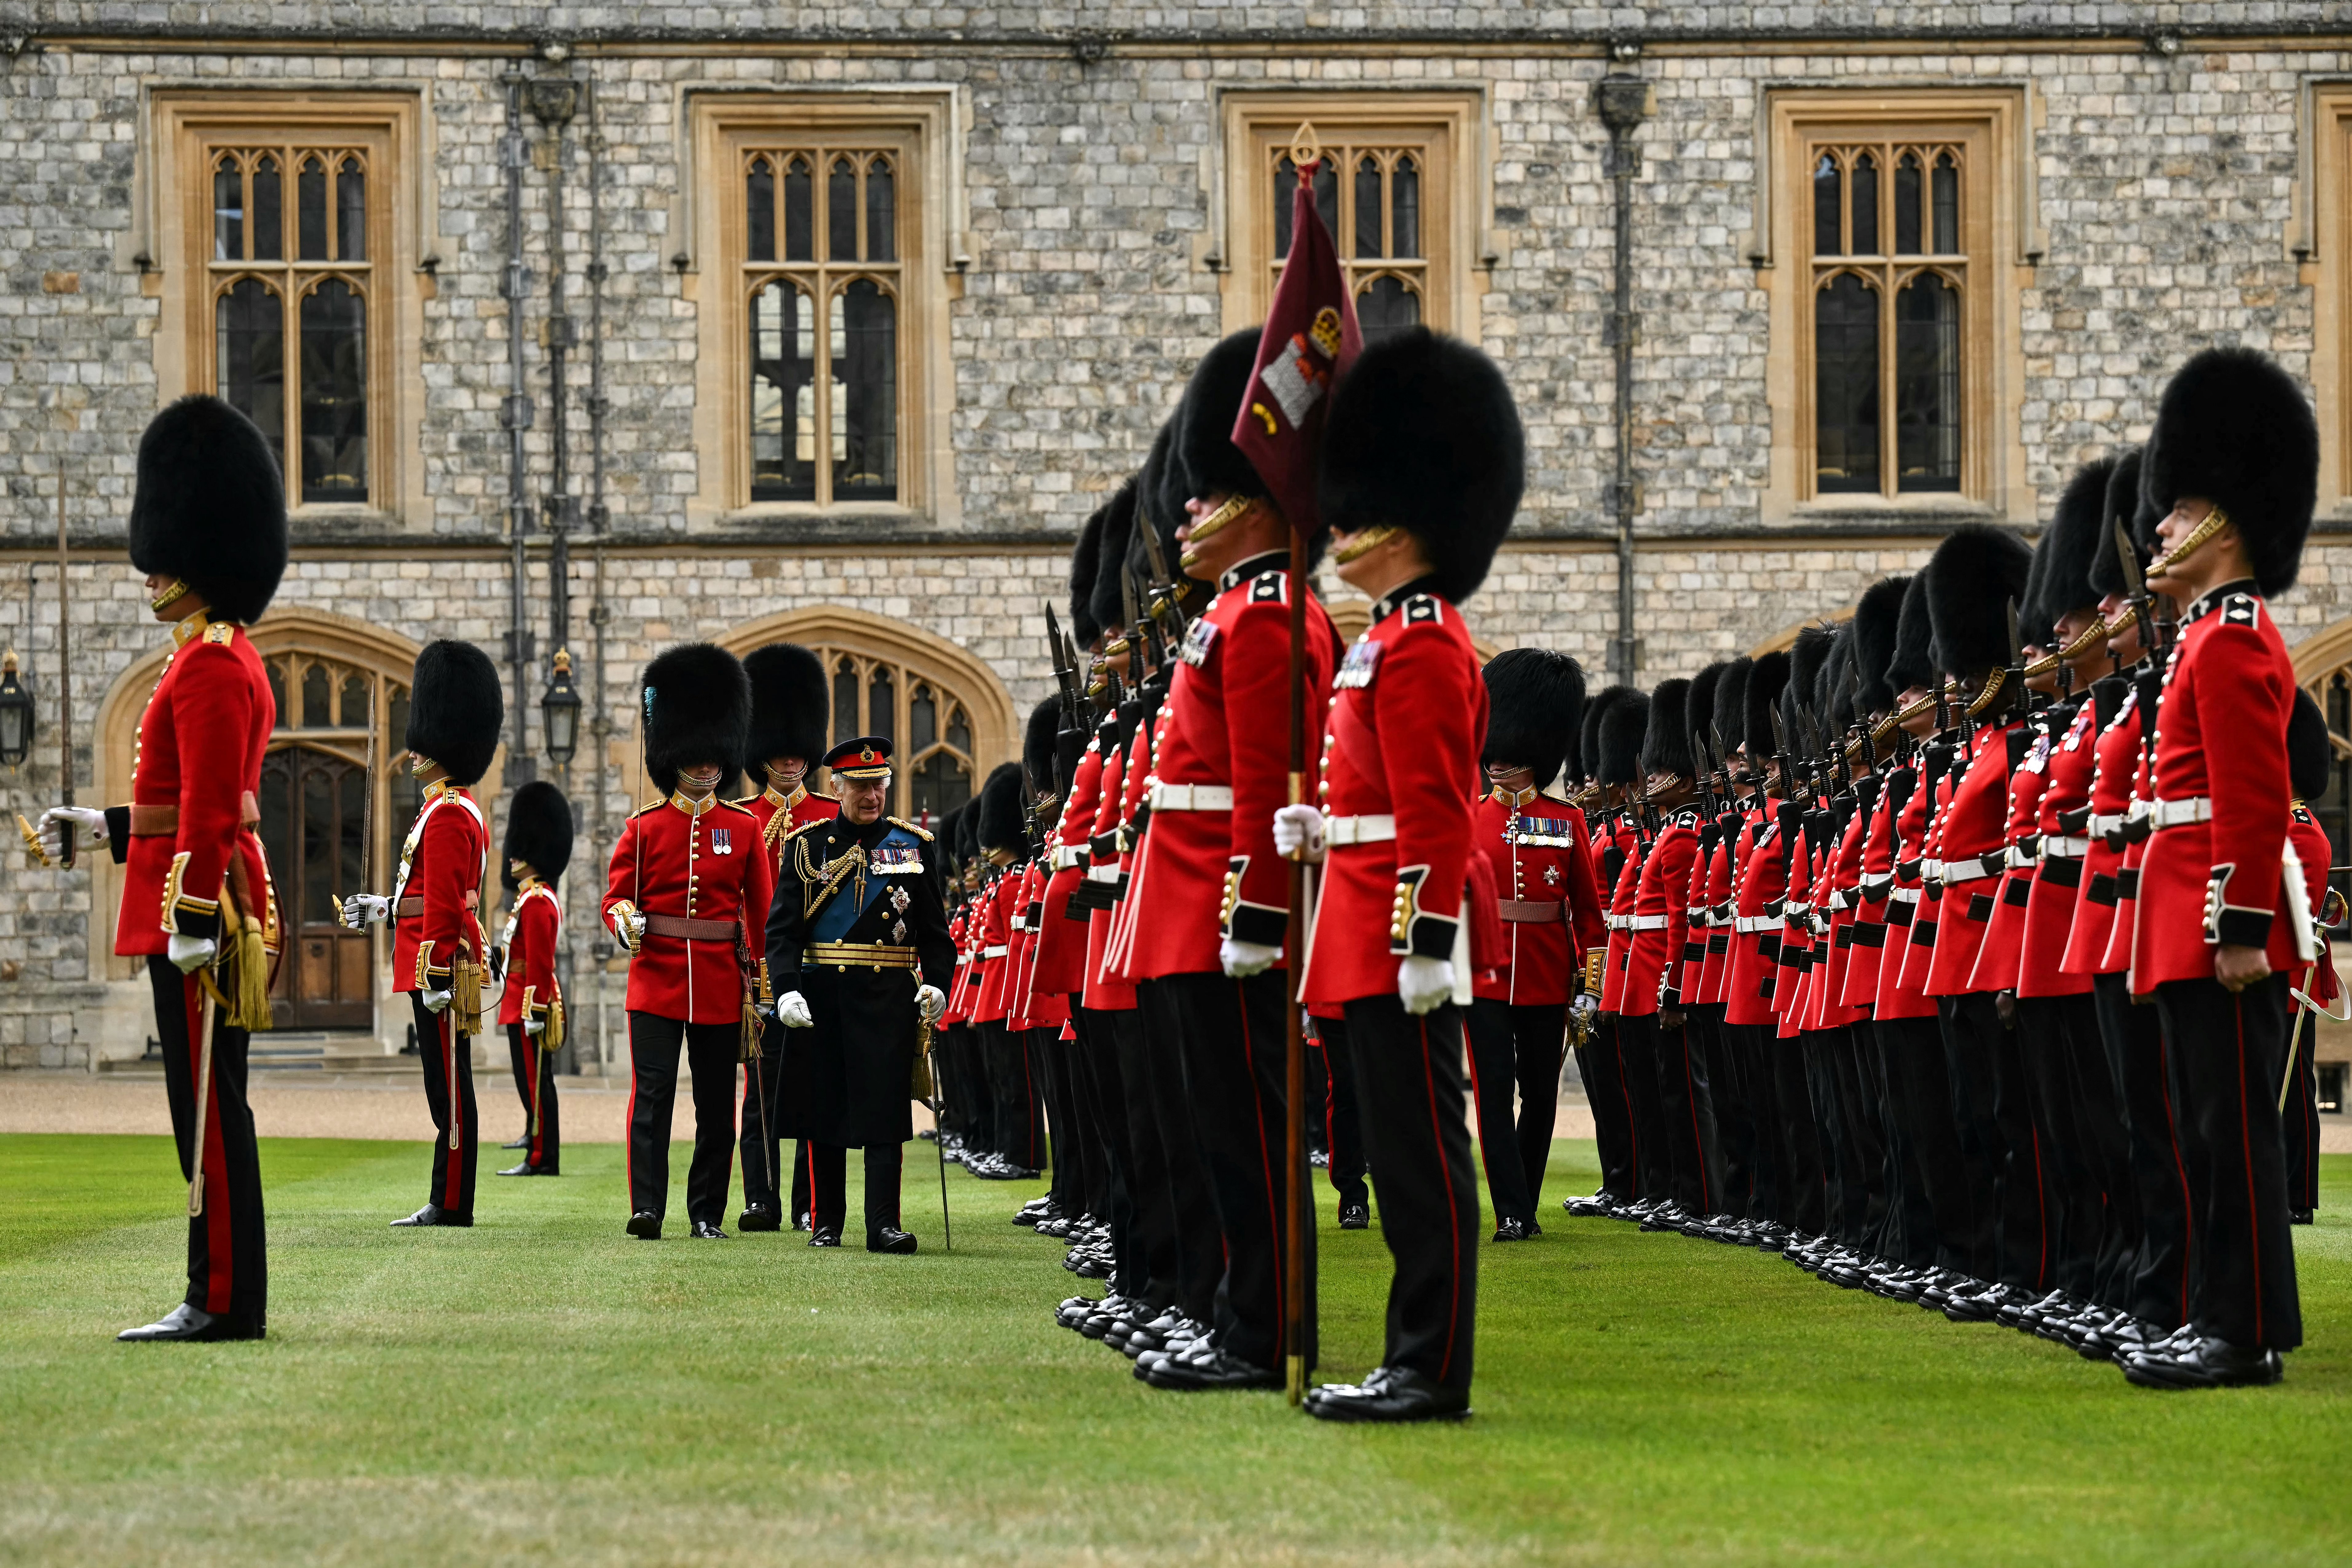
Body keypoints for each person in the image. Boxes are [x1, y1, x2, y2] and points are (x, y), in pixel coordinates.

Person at [1279, 326, 1520, 1424]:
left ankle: (1432, 1366)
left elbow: (1435, 811)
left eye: (1362, 509)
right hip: (1364, 924)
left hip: (1398, 936)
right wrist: (1319, 830)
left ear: (1413, 521)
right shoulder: (1386, 641)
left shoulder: (1424, 644)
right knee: (1394, 1154)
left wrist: (1427, 943)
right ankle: (1406, 1353)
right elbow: (1381, 802)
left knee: (1425, 1164)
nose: (1341, 527)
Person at [1123, 327, 1340, 1394]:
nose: (1186, 516)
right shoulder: (1230, 617)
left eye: (1206, 499)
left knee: (1251, 1138)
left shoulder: (1267, 620)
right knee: (1217, 1136)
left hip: (1223, 918)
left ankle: (1262, 1331)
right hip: (1187, 910)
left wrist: (1256, 919)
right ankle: (1228, 1313)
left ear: (1257, 503)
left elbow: (1270, 794)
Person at [41, 396, 285, 1341]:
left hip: (204, 910)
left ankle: (222, 1296)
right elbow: (180, 802)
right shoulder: (204, 660)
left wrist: (188, 917)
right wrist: (101, 823)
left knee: (210, 1110)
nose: (153, 570)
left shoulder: (215, 666)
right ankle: (217, 1287)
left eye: (168, 553)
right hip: (197, 896)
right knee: (205, 1107)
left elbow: (216, 808)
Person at [2121, 346, 2317, 1389]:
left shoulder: (2235, 641)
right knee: (2203, 1141)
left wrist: (2240, 926)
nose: (2159, 524)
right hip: (2184, 922)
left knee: (2231, 1142)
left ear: (2226, 521)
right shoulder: (2203, 639)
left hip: (2215, 930)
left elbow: (2249, 800)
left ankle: (2240, 1335)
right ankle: (2220, 1317)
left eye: (2180, 503)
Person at [603, 643, 772, 1242]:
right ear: (673, 756)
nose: (705, 768)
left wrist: (765, 987)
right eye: (694, 758)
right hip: (655, 980)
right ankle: (647, 1206)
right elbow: (616, 897)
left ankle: (706, 1212)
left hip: (722, 984)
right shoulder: (643, 829)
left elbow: (762, 913)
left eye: (712, 759)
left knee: (714, 1110)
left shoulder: (744, 828)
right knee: (650, 1101)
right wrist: (624, 919)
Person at [766, 737, 955, 1252]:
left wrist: (938, 982)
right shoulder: (806, 847)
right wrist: (785, 990)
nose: (872, 795)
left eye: (879, 785)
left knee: (885, 1112)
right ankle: (826, 1221)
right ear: (836, 787)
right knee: (823, 1111)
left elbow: (937, 935)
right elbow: (782, 932)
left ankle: (883, 1224)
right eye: (861, 786)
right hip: (822, 994)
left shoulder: (913, 846)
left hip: (887, 995)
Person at [344, 639, 503, 1229]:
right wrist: (383, 907)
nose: (412, 751)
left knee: (451, 1091)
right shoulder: (447, 809)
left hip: (439, 963)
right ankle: (448, 1195)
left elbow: (443, 905)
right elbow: (426, 895)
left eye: (422, 744)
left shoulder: (450, 813)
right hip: (432, 956)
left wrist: (435, 970)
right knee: (446, 1086)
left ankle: (453, 1200)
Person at [1463, 648, 1603, 1240]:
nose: (1497, 763)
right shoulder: (1469, 818)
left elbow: (1589, 916)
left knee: (1540, 1093)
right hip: (1484, 977)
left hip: (1548, 977)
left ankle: (1521, 1191)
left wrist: (1589, 990)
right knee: (1492, 1094)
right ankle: (1513, 1212)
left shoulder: (1566, 820)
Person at [733, 641, 836, 1232]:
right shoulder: (742, 817)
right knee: (761, 1095)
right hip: (757, 977)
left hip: (815, 972)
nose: (792, 760)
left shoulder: (828, 814)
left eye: (800, 750)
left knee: (810, 1091)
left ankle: (805, 1202)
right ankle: (761, 1198)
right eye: (780, 749)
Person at [496, 779, 572, 1178]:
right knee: (530, 1083)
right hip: (517, 1001)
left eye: (519, 852)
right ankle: (535, 1142)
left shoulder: (540, 901)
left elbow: (541, 962)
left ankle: (543, 1157)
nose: (511, 857)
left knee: (538, 1083)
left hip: (530, 1004)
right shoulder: (528, 898)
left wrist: (536, 1010)